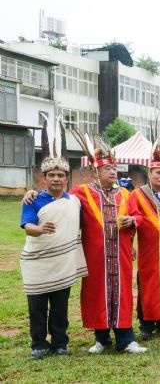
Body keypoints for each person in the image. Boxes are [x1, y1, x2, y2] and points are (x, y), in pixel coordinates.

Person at [71, 135, 147, 354]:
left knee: (123, 292)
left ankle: (126, 339)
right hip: (96, 255)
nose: (113, 172)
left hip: (121, 253)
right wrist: (33, 196)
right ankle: (101, 339)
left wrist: (132, 220)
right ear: (96, 171)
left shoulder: (125, 194)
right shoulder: (82, 192)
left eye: (115, 169)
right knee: (96, 292)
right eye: (108, 169)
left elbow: (138, 216)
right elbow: (61, 203)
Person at [19, 122, 87, 359]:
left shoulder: (74, 201)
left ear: (67, 178)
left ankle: (60, 343)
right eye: (52, 175)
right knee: (37, 307)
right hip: (37, 261)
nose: (56, 179)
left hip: (63, 262)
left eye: (61, 175)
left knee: (60, 306)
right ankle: (38, 344)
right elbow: (27, 227)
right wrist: (39, 228)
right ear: (43, 177)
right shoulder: (33, 200)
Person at [129, 132, 160, 340]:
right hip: (149, 250)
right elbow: (133, 218)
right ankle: (147, 323)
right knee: (149, 283)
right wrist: (130, 242)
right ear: (150, 173)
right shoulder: (138, 194)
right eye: (158, 172)